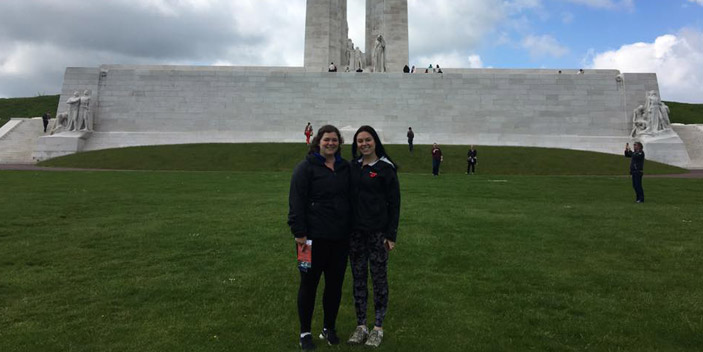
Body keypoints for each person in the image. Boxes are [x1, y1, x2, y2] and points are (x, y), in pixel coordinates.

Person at [288, 125, 352, 350]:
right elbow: (296, 202)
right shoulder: (305, 168)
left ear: (339, 143)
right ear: (319, 142)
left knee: (334, 286)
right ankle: (305, 332)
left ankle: (329, 328)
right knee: (308, 285)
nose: (331, 143)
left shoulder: (345, 168)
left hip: (339, 240)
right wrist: (299, 233)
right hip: (309, 241)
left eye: (335, 140)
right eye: (327, 140)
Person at [347, 125, 400, 348]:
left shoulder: (386, 169)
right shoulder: (352, 167)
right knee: (358, 279)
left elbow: (394, 204)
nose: (364, 144)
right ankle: (361, 325)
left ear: (375, 141)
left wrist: (391, 235)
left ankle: (377, 327)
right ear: (356, 144)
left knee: (378, 279)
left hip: (378, 233)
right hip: (355, 234)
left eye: (367, 140)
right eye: (360, 141)